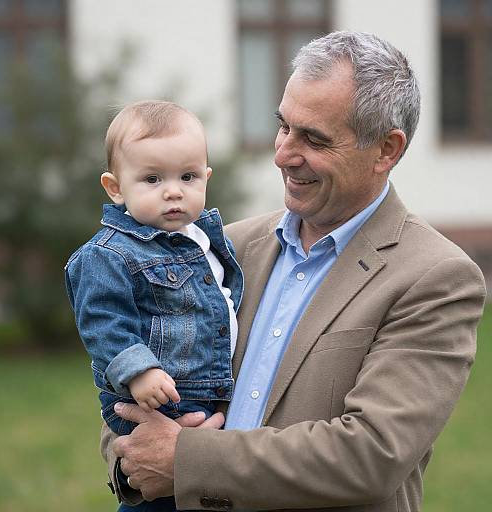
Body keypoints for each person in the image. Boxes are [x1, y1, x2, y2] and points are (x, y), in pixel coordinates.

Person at [102, 32, 486, 512]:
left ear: (386, 150)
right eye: (284, 126)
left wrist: (185, 460)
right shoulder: (223, 249)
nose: (283, 153)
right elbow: (133, 385)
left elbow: (369, 454)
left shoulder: (436, 277)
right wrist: (131, 464)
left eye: (314, 139)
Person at [65, 100, 243, 511]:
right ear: (115, 187)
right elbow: (103, 322)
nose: (173, 190)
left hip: (203, 394)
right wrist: (138, 371)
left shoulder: (204, 240)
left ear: (206, 177)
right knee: (158, 497)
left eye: (188, 176)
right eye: (151, 179)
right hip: (152, 399)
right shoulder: (108, 254)